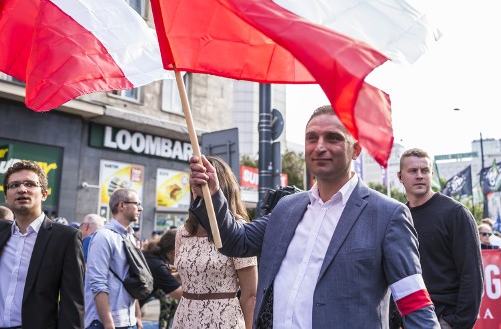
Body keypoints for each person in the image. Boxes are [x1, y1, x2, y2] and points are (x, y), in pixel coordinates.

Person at [189, 105, 439, 328]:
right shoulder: (287, 208)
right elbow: (236, 241)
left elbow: (414, 302)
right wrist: (211, 195)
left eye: (333, 138)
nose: (320, 147)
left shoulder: (387, 214)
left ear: (356, 150)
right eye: (312, 138)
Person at [397, 148, 483, 329]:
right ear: (400, 177)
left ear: (432, 174)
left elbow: (472, 275)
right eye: (413, 171)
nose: (419, 175)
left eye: (425, 170)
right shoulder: (397, 217)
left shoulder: (455, 213)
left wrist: (454, 323)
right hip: (407, 319)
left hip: (444, 318)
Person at [173, 155, 257, 329]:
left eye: (203, 182)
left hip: (223, 321)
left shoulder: (238, 229)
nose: (197, 188)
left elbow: (250, 295)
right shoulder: (184, 232)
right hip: (185, 319)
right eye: (194, 183)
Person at [0, 159, 85, 328]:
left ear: (44, 194)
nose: (22, 189)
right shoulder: (1, 232)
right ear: (6, 196)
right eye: (14, 185)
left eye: (30, 184)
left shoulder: (66, 238)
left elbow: (72, 303)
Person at [84, 188, 145, 329]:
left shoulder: (130, 237)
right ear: (122, 205)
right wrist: (108, 324)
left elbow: (132, 279)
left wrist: (137, 316)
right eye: (137, 203)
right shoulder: (104, 237)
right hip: (103, 322)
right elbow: (98, 283)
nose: (140, 208)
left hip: (127, 320)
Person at [142, 228, 183, 329]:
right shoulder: (158, 266)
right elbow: (180, 294)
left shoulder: (150, 256)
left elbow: (166, 279)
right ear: (174, 252)